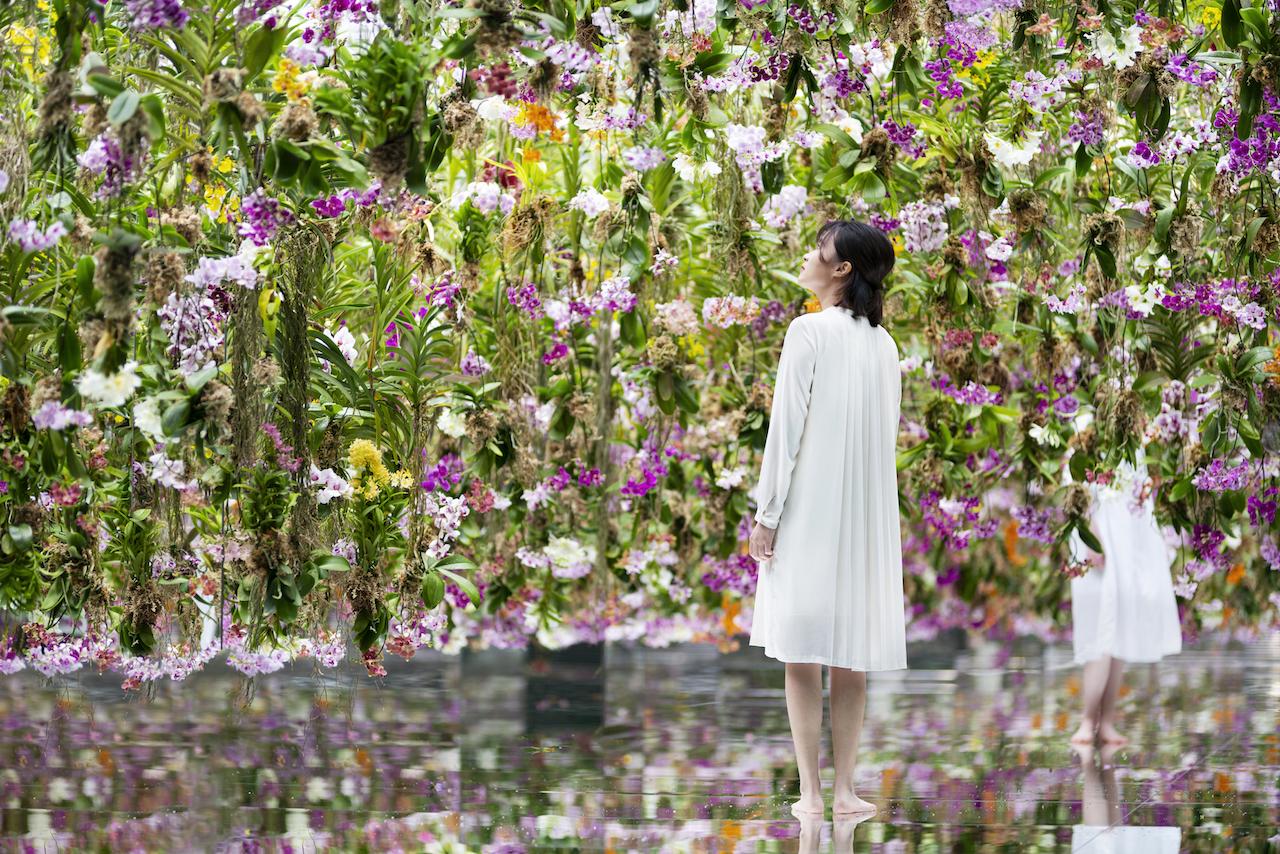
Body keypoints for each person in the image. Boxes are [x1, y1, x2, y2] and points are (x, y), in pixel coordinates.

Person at [746, 219, 908, 820]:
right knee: (849, 654)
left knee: (803, 653)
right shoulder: (884, 344)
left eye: (818, 252)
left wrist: (768, 516)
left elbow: (784, 433)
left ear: (842, 270)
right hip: (865, 514)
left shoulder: (807, 331)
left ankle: (813, 794)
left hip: (810, 510)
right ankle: (843, 791)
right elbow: (884, 439)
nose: (808, 258)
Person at [1065, 442, 1182, 747]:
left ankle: (1105, 721)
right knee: (1100, 634)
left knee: (1117, 634)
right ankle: (1088, 720)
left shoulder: (1133, 438)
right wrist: (1092, 537)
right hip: (1098, 539)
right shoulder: (1087, 429)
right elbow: (1075, 490)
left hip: (1126, 541)